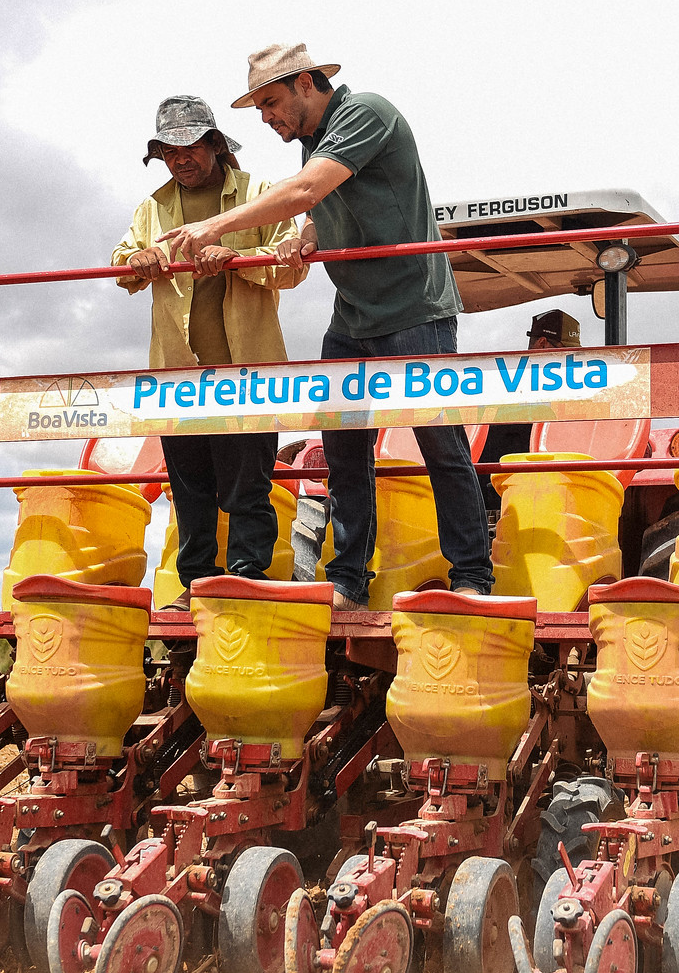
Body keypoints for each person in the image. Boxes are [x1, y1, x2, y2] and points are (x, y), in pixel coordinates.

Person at [159, 44, 492, 611]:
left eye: (271, 102)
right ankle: (348, 579)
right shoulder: (316, 141)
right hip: (353, 315)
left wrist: (212, 227)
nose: (266, 117)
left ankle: (471, 575)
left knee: (441, 442)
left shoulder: (365, 111)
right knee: (342, 451)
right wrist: (303, 238)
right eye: (259, 107)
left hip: (415, 309)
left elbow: (306, 190)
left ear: (308, 83)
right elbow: (321, 205)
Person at [113, 95, 303, 609]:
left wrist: (237, 258)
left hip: (250, 372)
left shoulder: (262, 195)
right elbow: (121, 265)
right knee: (189, 487)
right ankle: (192, 586)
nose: (180, 159)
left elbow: (292, 266)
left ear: (215, 145)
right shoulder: (151, 208)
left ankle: (246, 581)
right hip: (178, 376)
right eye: (168, 151)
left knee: (248, 486)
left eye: (190, 147)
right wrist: (143, 259)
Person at [480, 309, 584, 515]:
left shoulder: (556, 390)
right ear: (542, 343)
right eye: (565, 352)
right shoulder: (509, 387)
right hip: (504, 497)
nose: (571, 360)